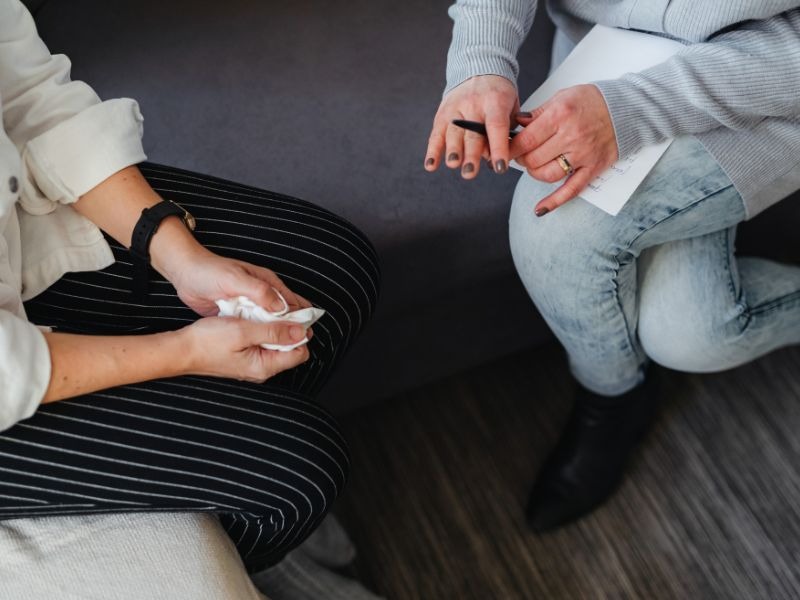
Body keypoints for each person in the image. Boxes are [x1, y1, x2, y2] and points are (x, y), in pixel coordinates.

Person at [0, 0, 380, 596]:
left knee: (334, 266)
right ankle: (262, 547)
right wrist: (185, 350)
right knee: (299, 469)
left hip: (13, 231)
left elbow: (25, 89)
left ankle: (231, 486)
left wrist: (178, 254)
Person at [425, 0, 800, 532]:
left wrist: (632, 109)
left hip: (768, 85)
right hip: (604, 51)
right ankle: (621, 393)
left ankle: (610, 398)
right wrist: (482, 60)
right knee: (695, 335)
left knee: (555, 232)